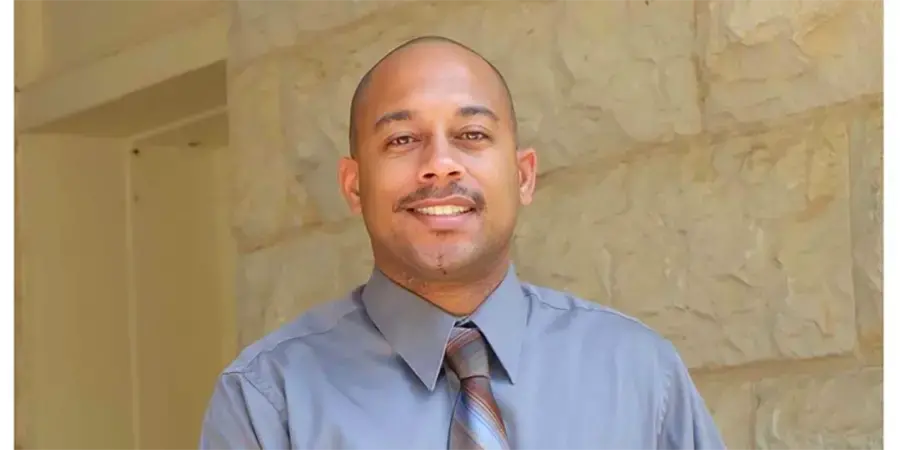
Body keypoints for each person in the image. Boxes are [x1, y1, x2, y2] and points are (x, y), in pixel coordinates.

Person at [199, 36, 726, 450]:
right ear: (354, 186)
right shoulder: (268, 400)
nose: (439, 163)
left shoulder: (638, 373)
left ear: (523, 176)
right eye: (402, 140)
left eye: (472, 135)